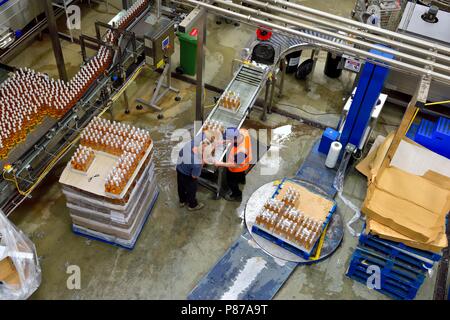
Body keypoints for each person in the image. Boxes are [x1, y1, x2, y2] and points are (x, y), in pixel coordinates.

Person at [215, 128, 252, 202]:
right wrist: (222, 142)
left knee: (231, 182)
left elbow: (236, 165)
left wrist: (221, 163)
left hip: (237, 168)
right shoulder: (243, 132)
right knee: (241, 175)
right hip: (246, 162)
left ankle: (236, 194)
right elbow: (234, 139)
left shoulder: (241, 151)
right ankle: (242, 181)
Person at [176, 138, 210, 211]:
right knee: (191, 190)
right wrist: (203, 162)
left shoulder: (190, 144)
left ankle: (182, 201)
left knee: (181, 186)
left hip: (179, 168)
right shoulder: (197, 163)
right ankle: (192, 205)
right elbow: (194, 176)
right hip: (188, 175)